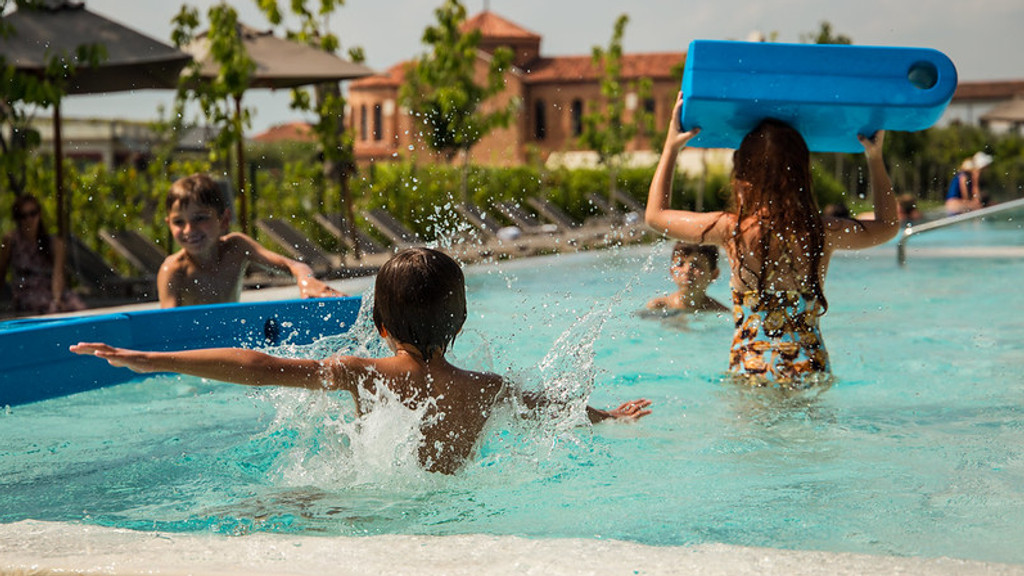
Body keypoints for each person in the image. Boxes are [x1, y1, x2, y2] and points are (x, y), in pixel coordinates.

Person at [73, 247, 651, 474]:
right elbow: (554, 409)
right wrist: (614, 416)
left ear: (378, 324)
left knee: (272, 502)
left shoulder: (362, 373)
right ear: (463, 321)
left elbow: (257, 365)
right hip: (449, 504)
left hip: (372, 501)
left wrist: (154, 358)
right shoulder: (488, 388)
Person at [645, 93, 899, 387]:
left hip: (750, 366)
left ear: (741, 173)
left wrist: (671, 147)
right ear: (802, 174)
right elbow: (888, 226)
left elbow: (655, 215)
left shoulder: (731, 229)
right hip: (809, 367)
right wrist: (875, 158)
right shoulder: (820, 231)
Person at [159, 173, 344, 307]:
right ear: (169, 224)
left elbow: (293, 266)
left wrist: (306, 281)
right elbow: (169, 331)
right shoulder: (174, 270)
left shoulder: (237, 248)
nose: (189, 229)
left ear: (223, 220)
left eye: (200, 218)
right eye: (178, 222)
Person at [0, 195, 86, 315]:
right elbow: (1, 271)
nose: (28, 219)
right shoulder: (10, 241)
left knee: (76, 305)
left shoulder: (55, 243)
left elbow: (58, 275)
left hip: (51, 291)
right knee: (50, 308)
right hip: (27, 295)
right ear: (17, 219)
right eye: (23, 216)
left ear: (39, 214)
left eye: (32, 213)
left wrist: (57, 299)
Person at [644, 241, 727, 315]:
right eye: (680, 264)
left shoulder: (720, 312)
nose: (687, 270)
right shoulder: (658, 307)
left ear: (714, 274)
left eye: (696, 265)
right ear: (672, 271)